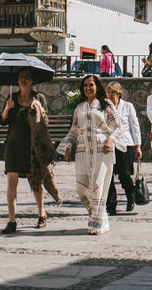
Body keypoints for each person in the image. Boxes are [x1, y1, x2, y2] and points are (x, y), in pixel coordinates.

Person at [59, 75, 123, 235]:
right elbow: (73, 130)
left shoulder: (105, 104)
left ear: (97, 87)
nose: (88, 88)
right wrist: (68, 146)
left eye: (91, 85)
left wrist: (110, 139)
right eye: (85, 85)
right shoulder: (79, 107)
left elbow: (118, 127)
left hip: (102, 148)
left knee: (97, 184)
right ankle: (99, 213)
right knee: (81, 187)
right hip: (82, 149)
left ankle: (98, 222)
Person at [0, 68, 48, 233]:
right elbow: (3, 121)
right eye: (21, 77)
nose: (23, 79)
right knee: (12, 181)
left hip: (31, 146)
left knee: (34, 181)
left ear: (32, 80)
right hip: (13, 146)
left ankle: (41, 214)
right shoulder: (12, 97)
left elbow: (45, 122)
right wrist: (7, 108)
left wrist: (40, 111)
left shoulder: (39, 98)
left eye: (27, 77)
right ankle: (11, 220)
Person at [105, 81, 142, 215]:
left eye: (112, 92)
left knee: (124, 174)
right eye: (108, 92)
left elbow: (135, 126)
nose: (110, 95)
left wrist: (138, 146)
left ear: (119, 94)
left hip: (125, 144)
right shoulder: (104, 107)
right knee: (108, 176)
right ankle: (111, 204)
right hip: (110, 144)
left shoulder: (127, 106)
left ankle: (130, 196)